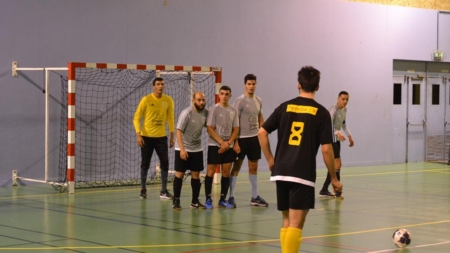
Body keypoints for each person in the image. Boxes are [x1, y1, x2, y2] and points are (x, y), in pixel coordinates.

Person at [258, 66, 343, 253]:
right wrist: (334, 178)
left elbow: (262, 132)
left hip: (281, 171)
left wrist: (271, 160)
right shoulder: (321, 113)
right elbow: (327, 150)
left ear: (298, 84)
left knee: (287, 221)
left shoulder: (284, 107)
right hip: (301, 174)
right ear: (317, 87)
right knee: (296, 224)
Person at [228, 74, 268, 208]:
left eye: (253, 84)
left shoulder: (258, 100)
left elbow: (260, 118)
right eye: (249, 84)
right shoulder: (239, 101)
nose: (251, 86)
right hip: (241, 139)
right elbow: (235, 121)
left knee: (254, 166)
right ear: (245, 85)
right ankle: (231, 196)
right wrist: (236, 142)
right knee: (237, 167)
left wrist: (263, 133)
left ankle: (255, 197)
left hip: (254, 139)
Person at [133, 77, 175, 200]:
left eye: (162, 84)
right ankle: (143, 189)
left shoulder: (168, 100)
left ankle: (163, 191)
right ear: (153, 86)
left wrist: (172, 136)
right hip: (146, 137)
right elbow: (136, 118)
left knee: (165, 162)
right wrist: (138, 134)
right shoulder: (146, 99)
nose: (160, 86)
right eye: (158, 84)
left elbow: (170, 119)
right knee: (145, 163)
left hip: (161, 137)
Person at [204, 85, 239, 209]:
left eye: (227, 94)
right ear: (219, 95)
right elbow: (209, 128)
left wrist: (228, 143)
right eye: (222, 93)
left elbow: (236, 129)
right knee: (211, 171)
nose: (224, 96)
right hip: (215, 146)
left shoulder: (233, 110)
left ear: (230, 96)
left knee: (226, 172)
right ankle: (208, 199)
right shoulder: (214, 109)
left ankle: (222, 199)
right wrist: (221, 142)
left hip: (228, 147)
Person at [172, 92, 208, 210]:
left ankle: (195, 201)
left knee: (196, 175)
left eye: (203, 100)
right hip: (183, 148)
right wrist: (182, 150)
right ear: (193, 100)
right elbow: (178, 131)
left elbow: (210, 128)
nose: (201, 102)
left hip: (197, 149)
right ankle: (176, 201)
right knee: (180, 174)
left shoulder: (205, 113)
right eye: (199, 100)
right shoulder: (187, 113)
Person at [319, 91, 354, 198]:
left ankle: (324, 189)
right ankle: (337, 191)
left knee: (334, 165)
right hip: (330, 138)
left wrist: (349, 136)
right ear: (338, 99)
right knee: (337, 163)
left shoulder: (345, 109)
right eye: (343, 99)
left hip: (336, 138)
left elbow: (343, 124)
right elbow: (328, 124)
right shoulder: (334, 109)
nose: (345, 101)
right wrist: (337, 132)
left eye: (347, 99)